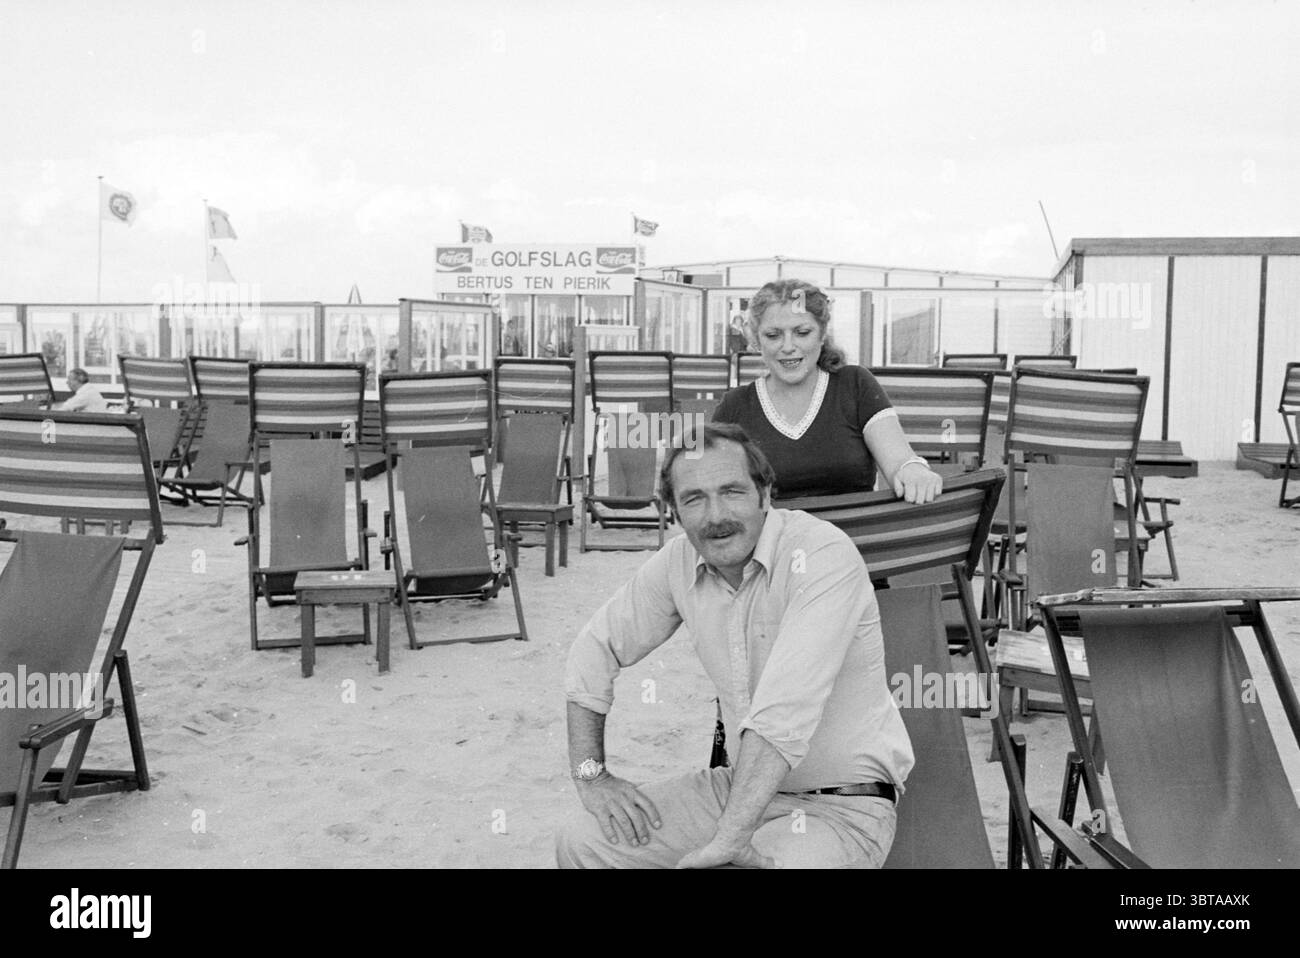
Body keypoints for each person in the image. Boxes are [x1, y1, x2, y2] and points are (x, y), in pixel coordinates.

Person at [556, 422, 913, 869]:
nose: (716, 516)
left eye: (732, 491)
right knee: (584, 840)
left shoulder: (821, 554)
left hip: (843, 806)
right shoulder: (678, 562)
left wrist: (729, 840)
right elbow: (595, 648)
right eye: (694, 499)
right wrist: (592, 776)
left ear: (765, 495)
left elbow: (784, 711)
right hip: (736, 788)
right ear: (674, 512)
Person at [713, 279, 943, 502]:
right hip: (775, 539)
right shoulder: (735, 406)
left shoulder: (854, 384)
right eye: (773, 336)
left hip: (854, 537)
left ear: (822, 334)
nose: (788, 347)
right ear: (756, 340)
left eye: (802, 332)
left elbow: (899, 460)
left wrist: (913, 470)